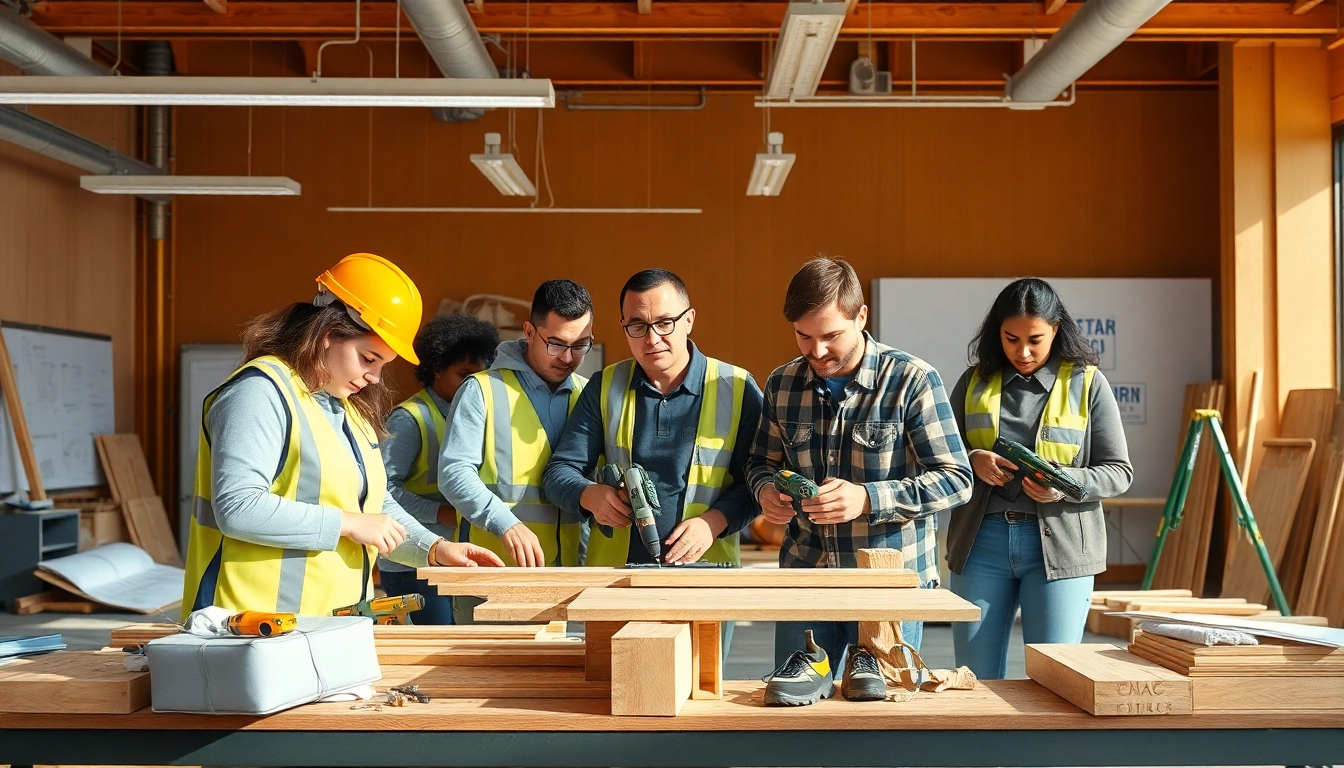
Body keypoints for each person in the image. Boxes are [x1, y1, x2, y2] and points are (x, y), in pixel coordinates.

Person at [182, 253, 504, 619]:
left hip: (326, 629)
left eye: (382, 365)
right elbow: (238, 508)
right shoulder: (260, 392)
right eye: (368, 359)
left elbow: (374, 507)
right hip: (253, 630)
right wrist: (348, 524)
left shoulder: (347, 409)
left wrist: (433, 548)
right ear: (328, 334)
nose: (374, 378)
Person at [745, 257, 974, 681]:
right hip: (805, 578)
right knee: (795, 710)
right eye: (803, 336)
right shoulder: (782, 383)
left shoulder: (912, 380)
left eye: (831, 335)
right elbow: (761, 462)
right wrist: (764, 492)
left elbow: (957, 480)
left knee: (880, 712)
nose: (816, 351)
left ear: (861, 316)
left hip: (887, 586)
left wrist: (868, 497)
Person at [543, 269, 763, 655]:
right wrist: (590, 496)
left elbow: (760, 480)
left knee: (698, 696)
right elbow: (558, 472)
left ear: (689, 320)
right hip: (616, 584)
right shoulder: (604, 386)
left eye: (664, 323)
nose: (652, 338)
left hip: (705, 578)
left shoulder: (737, 387)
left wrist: (713, 523)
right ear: (623, 326)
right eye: (638, 326)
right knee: (609, 699)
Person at [947, 277, 1132, 680]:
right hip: (981, 544)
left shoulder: (1087, 383)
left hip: (1062, 550)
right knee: (973, 680)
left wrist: (1061, 484)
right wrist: (972, 459)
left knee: (1056, 680)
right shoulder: (973, 382)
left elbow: (1119, 472)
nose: (1023, 351)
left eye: (1036, 339)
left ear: (1056, 331)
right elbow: (938, 457)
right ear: (997, 332)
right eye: (1012, 339)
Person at [439, 281, 595, 622]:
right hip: (490, 575)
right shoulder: (481, 391)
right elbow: (453, 472)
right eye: (556, 344)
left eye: (581, 345)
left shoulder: (589, 395)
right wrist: (504, 523)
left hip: (568, 580)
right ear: (529, 331)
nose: (569, 358)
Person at [377, 314, 501, 625]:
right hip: (410, 565)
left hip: (452, 559)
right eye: (464, 374)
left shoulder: (476, 415)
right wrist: (440, 513)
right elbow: (382, 490)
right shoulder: (408, 419)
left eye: (480, 376)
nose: (473, 384)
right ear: (436, 369)